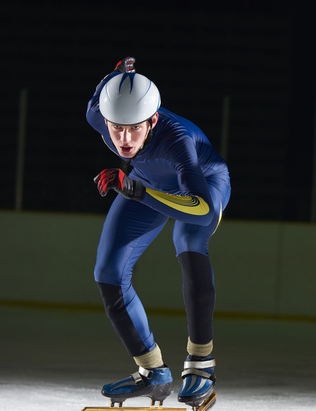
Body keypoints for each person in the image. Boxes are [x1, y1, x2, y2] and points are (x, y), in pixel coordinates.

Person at [86, 56, 231, 411]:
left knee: (187, 240)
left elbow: (202, 209)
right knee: (108, 273)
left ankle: (202, 363)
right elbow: (105, 85)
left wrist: (137, 191)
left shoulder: (177, 141)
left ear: (152, 119)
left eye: (134, 128)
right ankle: (152, 371)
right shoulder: (97, 115)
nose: (123, 139)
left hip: (203, 184)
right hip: (147, 183)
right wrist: (122, 71)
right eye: (116, 128)